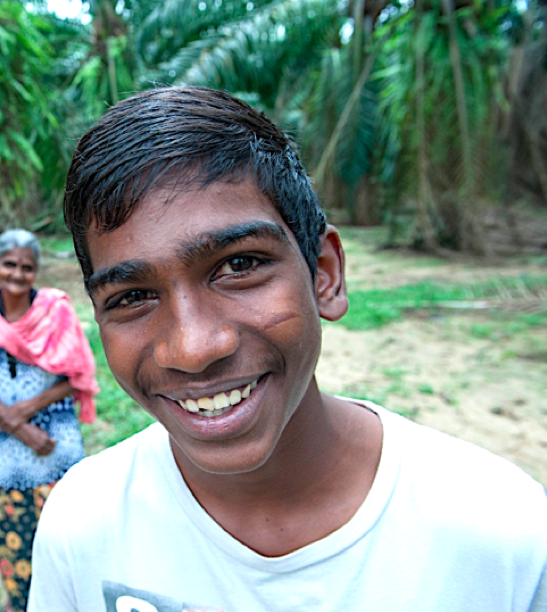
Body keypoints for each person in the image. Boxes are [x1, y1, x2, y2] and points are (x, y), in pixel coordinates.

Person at [27, 87, 547, 611]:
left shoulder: (504, 536)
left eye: (238, 266)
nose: (192, 348)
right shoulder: (82, 524)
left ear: (324, 274)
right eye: (134, 296)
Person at [0, 229, 98, 612]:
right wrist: (18, 424)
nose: (17, 274)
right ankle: (21, 601)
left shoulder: (55, 311)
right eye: (9, 265)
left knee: (66, 531)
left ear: (36, 271)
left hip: (56, 442)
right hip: (9, 449)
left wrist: (27, 409)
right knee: (14, 534)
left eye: (26, 267)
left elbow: (77, 375)